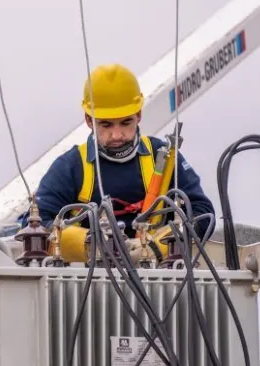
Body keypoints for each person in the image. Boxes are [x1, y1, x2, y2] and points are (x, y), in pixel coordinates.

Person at [26, 63, 214, 261]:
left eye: (125, 123)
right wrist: (91, 245)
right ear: (89, 120)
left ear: (138, 115)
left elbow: (202, 214)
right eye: (106, 124)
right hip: (88, 276)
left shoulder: (163, 157)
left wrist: (157, 246)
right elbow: (36, 226)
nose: (117, 135)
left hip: (158, 275)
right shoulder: (71, 167)